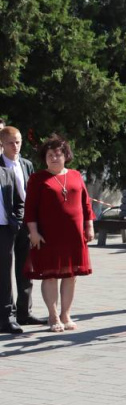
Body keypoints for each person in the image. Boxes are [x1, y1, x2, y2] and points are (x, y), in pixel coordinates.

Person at [25, 135, 94, 332]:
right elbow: (30, 208)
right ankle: (53, 315)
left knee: (71, 275)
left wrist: (89, 226)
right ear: (44, 158)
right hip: (48, 236)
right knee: (50, 276)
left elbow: (86, 203)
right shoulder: (37, 178)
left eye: (58, 154)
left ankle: (66, 314)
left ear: (65, 156)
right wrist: (33, 232)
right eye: (49, 155)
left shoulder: (75, 175)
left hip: (73, 235)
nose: (54, 158)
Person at [1, 126, 42, 327]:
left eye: (18, 142)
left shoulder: (26, 164)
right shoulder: (1, 165)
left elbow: (32, 195)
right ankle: (7, 315)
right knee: (4, 270)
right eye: (10, 142)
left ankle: (25, 312)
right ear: (2, 143)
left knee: (26, 268)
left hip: (26, 223)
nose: (15, 146)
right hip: (5, 225)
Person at [0, 163, 24, 333]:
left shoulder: (7, 173)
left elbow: (19, 202)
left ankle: (7, 317)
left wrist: (18, 221)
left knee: (4, 274)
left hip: (4, 230)